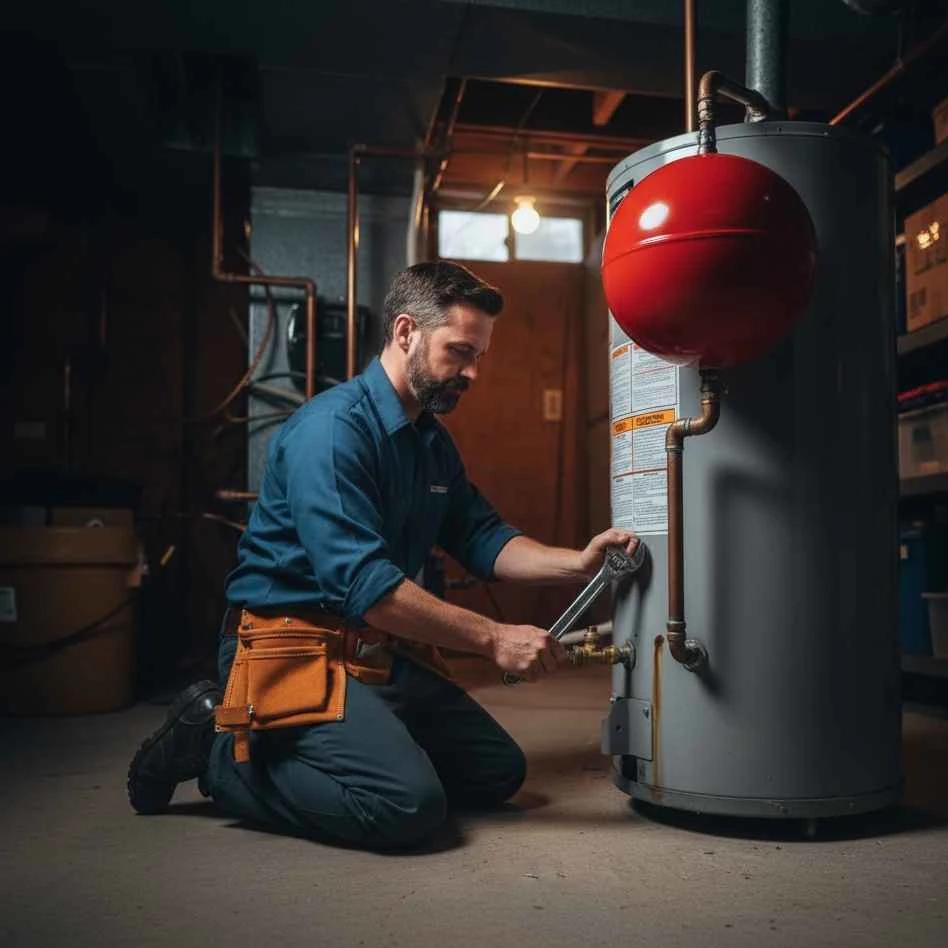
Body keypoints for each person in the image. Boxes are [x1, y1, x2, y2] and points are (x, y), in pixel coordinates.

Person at [127, 259, 638, 850]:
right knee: (407, 805)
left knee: (496, 771)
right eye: (460, 352)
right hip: (289, 646)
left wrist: (576, 562)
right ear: (405, 333)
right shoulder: (333, 431)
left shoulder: (429, 441)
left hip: (368, 652)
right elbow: (365, 587)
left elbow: (482, 536)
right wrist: (496, 639)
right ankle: (217, 754)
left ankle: (362, 743)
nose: (472, 372)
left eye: (479, 356)